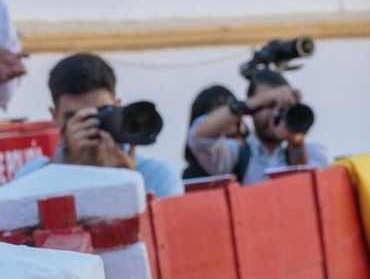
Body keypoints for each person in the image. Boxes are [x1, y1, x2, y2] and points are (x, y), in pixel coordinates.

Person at [12, 54, 182, 197]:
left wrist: (127, 184)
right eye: (75, 118)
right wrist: (64, 172)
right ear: (55, 117)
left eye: (101, 113)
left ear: (117, 106)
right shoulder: (31, 179)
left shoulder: (157, 177)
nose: (90, 126)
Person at [187, 67, 330, 185]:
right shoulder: (237, 154)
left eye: (283, 107)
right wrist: (254, 102)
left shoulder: (313, 152)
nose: (275, 113)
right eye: (269, 105)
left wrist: (295, 140)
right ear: (251, 111)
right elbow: (198, 135)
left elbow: (308, 185)